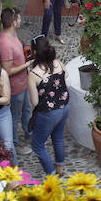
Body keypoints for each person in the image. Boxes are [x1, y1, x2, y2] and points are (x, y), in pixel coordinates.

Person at [27, 36, 69, 176]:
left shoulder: (33, 74)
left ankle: (51, 174)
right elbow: (66, 75)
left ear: (34, 52)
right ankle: (60, 167)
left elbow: (34, 102)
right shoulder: (57, 62)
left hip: (49, 113)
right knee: (57, 137)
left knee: (38, 145)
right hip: (64, 107)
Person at [0, 7, 34, 157]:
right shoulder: (5, 43)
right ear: (13, 23)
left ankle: (29, 136)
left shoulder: (13, 35)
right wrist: (27, 64)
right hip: (15, 88)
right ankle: (15, 145)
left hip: (23, 84)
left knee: (26, 111)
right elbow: (7, 70)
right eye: (18, 19)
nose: (20, 21)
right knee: (13, 117)